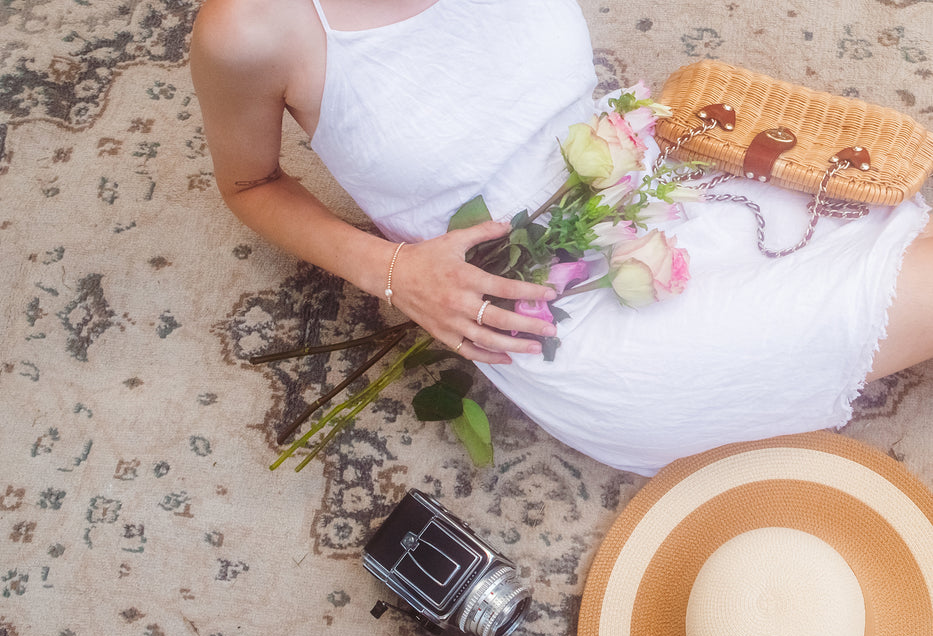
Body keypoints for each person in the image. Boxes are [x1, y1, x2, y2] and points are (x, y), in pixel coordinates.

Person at [189, 0, 933, 476]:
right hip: (556, 312)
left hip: (652, 178)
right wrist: (394, 271)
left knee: (883, 215)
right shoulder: (249, 29)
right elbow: (248, 185)